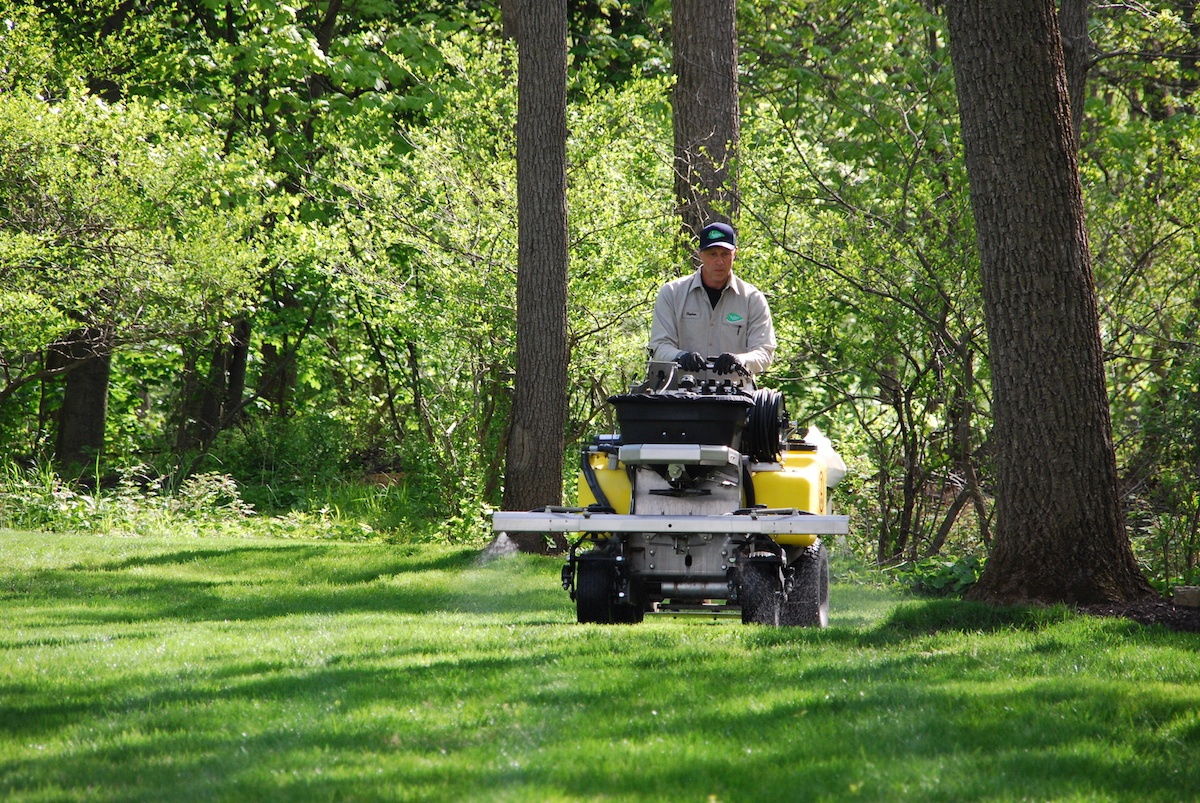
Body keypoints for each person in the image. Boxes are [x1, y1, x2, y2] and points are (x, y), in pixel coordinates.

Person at [648, 221, 776, 376]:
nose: (719, 262)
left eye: (725, 254)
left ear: (735, 253)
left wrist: (740, 360)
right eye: (712, 254)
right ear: (700, 254)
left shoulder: (752, 299)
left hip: (736, 393)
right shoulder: (672, 293)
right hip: (681, 392)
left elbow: (765, 352)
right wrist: (680, 357)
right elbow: (659, 346)